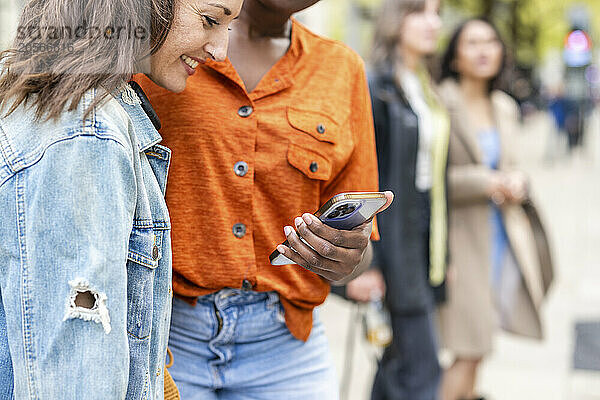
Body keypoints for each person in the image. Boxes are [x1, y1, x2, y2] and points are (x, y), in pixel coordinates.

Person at [134, 0, 392, 397]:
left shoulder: (342, 69)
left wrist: (346, 256)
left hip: (286, 348)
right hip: (166, 334)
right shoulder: (165, 48)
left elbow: (361, 249)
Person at [0, 0, 242, 398]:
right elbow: (78, 368)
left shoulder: (71, 107)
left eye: (228, 27)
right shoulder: (86, 133)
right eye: (210, 20)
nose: (220, 50)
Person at [437, 18, 547, 400]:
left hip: (501, 238)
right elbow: (429, 182)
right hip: (459, 242)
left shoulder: (503, 106)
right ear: (454, 56)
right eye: (472, 43)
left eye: (491, 42)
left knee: (481, 347)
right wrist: (487, 181)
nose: (484, 50)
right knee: (469, 348)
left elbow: (512, 164)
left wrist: (518, 181)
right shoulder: (439, 101)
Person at [347, 0, 450, 399]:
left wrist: (446, 255)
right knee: (421, 370)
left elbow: (433, 178)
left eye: (437, 13)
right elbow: (363, 178)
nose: (433, 22)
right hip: (392, 243)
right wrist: (364, 265)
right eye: (420, 11)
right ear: (396, 19)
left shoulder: (423, 83)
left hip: (425, 240)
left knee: (395, 367)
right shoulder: (376, 85)